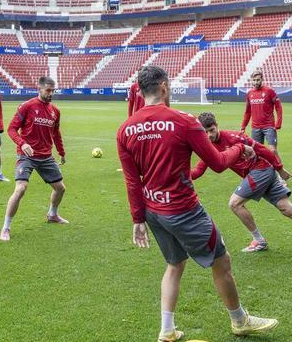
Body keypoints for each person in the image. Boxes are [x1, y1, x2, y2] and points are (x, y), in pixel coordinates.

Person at [117, 66, 278, 342]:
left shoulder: (125, 129)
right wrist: (240, 148)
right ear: (165, 87)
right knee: (222, 261)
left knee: (174, 264)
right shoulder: (184, 121)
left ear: (140, 92)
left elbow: (132, 181)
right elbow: (216, 163)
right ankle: (240, 320)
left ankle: (167, 330)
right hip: (184, 211)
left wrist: (137, 219)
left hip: (153, 211)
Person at [191, 112, 292, 253]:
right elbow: (197, 171)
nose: (209, 135)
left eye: (211, 130)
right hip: (260, 174)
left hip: (261, 170)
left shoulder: (234, 137)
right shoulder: (208, 148)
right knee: (286, 208)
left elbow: (262, 150)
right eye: (205, 132)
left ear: (216, 125)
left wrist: (280, 169)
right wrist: (176, 176)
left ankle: (259, 241)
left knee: (234, 204)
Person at [0, 76, 67, 241]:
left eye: (53, 91)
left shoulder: (55, 111)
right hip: (27, 155)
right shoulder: (27, 106)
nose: (51, 94)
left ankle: (52, 215)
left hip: (45, 156)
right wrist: (22, 144)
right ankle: (5, 228)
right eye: (48, 90)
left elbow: (56, 133)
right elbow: (11, 129)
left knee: (60, 188)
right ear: (40, 88)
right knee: (21, 188)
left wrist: (61, 152)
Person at [240, 71, 282, 156]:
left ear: (262, 79)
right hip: (255, 128)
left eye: (258, 80)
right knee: (257, 152)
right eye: (254, 80)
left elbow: (278, 107)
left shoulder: (269, 91)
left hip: (269, 126)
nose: (256, 82)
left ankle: (278, 168)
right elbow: (248, 111)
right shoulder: (249, 93)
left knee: (272, 150)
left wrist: (278, 122)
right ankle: (263, 169)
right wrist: (243, 126)